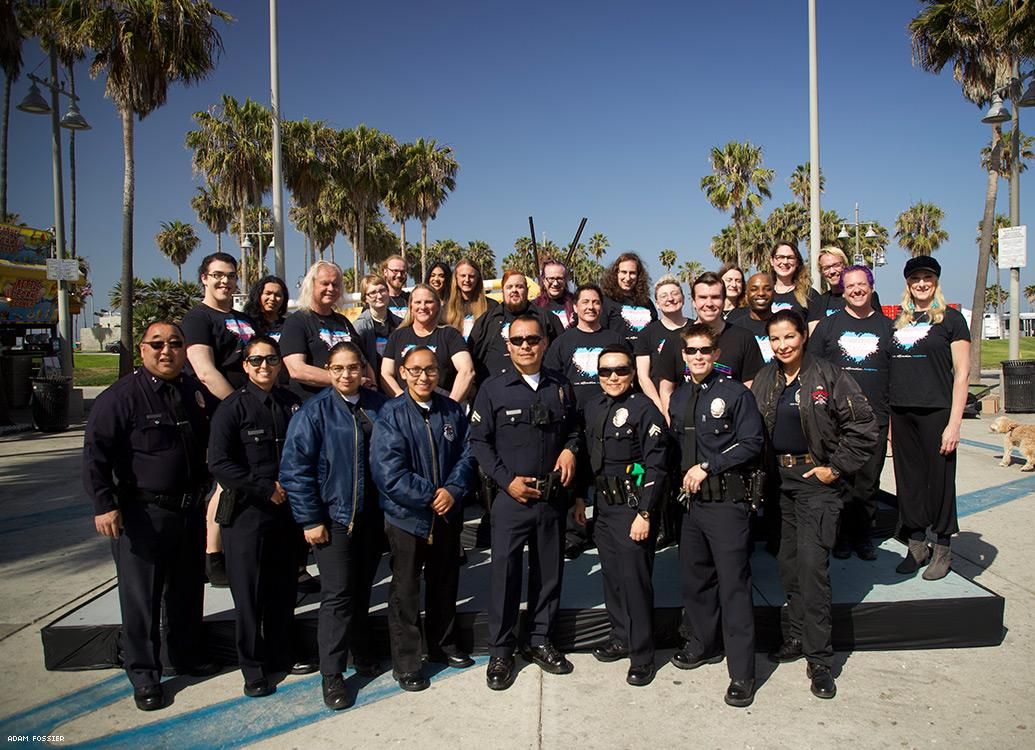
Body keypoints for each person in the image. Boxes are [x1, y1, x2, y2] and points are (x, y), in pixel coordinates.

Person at [82, 321, 218, 712]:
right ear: (142, 350)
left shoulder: (193, 391)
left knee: (187, 590)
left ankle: (185, 656)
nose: (166, 351)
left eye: (175, 343)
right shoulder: (121, 397)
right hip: (143, 512)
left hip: (188, 510)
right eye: (157, 344)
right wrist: (104, 504)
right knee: (141, 599)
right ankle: (144, 675)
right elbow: (96, 454)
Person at [752, 310, 877, 700]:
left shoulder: (829, 375)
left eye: (789, 337)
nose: (783, 345)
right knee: (788, 566)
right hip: (779, 484)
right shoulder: (766, 378)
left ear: (803, 336)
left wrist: (833, 468)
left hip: (815, 484)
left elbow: (864, 427)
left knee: (812, 568)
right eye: (775, 339)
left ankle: (820, 659)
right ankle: (795, 637)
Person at [470, 314, 581, 690]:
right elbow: (479, 441)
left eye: (532, 339)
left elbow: (576, 428)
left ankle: (539, 640)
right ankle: (501, 651)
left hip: (551, 499)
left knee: (549, 574)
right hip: (511, 499)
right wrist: (506, 481)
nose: (525, 346)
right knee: (505, 576)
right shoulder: (493, 389)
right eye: (517, 341)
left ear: (544, 342)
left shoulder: (561, 386)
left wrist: (569, 450)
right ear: (508, 346)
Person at [280, 342, 388, 710]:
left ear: (363, 370)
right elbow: (295, 470)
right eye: (338, 369)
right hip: (334, 520)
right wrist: (310, 518)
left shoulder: (378, 407)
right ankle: (332, 672)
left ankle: (362, 651)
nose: (346, 375)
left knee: (360, 591)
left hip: (372, 519)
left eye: (353, 368)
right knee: (338, 596)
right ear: (328, 370)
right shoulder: (314, 412)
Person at [207, 336, 315, 698]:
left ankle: (282, 655)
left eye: (271, 360)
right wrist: (262, 486)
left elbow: (309, 449)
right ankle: (252, 667)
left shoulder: (293, 403)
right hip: (248, 515)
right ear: (245, 366)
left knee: (284, 590)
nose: (264, 367)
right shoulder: (231, 409)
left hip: (287, 514)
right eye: (256, 361)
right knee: (250, 596)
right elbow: (219, 463)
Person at [668, 323, 765, 708]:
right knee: (697, 583)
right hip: (692, 507)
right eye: (691, 351)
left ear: (717, 353)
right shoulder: (678, 397)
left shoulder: (735, 394)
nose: (698, 357)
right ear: (683, 355)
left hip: (727, 505)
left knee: (734, 588)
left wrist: (709, 466)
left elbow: (752, 442)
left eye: (705, 350)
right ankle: (703, 644)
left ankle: (742, 673)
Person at [370, 346, 478, 691]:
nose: (423, 377)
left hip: (447, 515)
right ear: (402, 372)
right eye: (415, 370)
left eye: (430, 370)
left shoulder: (451, 410)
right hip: (408, 518)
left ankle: (443, 646)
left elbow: (468, 454)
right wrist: (431, 495)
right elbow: (388, 471)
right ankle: (406, 661)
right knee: (405, 591)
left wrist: (454, 490)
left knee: (445, 584)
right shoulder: (391, 415)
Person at [582, 346, 669, 687]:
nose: (613, 377)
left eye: (619, 370)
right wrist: (579, 500)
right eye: (605, 372)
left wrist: (645, 512)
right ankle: (621, 636)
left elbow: (656, 465)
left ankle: (643, 656)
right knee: (613, 580)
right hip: (603, 508)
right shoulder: (593, 407)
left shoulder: (644, 409)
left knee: (635, 583)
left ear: (632, 373)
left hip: (633, 509)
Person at [888, 256, 970, 581]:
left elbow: (962, 375)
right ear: (907, 283)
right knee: (909, 483)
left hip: (937, 413)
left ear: (935, 281)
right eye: (915, 278)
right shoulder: (900, 321)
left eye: (927, 278)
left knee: (940, 482)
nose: (921, 283)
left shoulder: (951, 320)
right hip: (901, 411)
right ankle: (916, 543)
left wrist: (954, 424)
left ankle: (943, 547)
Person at [182, 252, 257, 587]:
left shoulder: (244, 319)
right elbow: (204, 370)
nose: (225, 281)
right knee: (225, 481)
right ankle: (213, 555)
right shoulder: (198, 318)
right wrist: (237, 406)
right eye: (217, 275)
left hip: (249, 407)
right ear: (204, 278)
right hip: (220, 412)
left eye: (230, 275)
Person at [809, 266, 894, 561]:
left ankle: (863, 537)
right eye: (850, 286)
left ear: (871, 287)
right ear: (842, 290)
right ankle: (840, 537)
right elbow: (814, 370)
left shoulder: (888, 327)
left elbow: (895, 376)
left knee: (868, 482)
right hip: (836, 420)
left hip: (875, 418)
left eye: (862, 284)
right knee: (840, 481)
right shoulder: (828, 326)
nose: (856, 290)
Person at [280, 261, 372, 401]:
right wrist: (347, 379)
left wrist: (372, 385)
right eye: (325, 283)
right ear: (312, 285)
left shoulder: (343, 322)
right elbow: (297, 370)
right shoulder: (297, 322)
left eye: (335, 285)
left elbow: (363, 360)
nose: (331, 288)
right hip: (314, 405)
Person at [659, 272, 763, 390]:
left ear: (724, 301)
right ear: (693, 301)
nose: (709, 304)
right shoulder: (675, 339)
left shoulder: (744, 338)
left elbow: (750, 386)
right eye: (703, 297)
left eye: (715, 297)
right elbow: (666, 389)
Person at [380, 284, 475, 403]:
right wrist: (404, 402)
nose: (423, 307)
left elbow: (467, 370)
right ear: (410, 306)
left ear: (437, 305)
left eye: (428, 302)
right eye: (418, 302)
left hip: (442, 406)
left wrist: (451, 406)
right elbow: (386, 374)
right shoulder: (397, 336)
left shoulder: (450, 335)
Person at [469, 269, 561, 384]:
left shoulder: (546, 318)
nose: (514, 291)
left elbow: (561, 353)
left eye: (519, 286)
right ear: (503, 291)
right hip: (494, 390)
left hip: (538, 388)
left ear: (527, 290)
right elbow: (472, 356)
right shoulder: (487, 320)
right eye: (509, 287)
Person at [544, 283, 627, 408]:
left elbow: (627, 374)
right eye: (585, 302)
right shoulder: (562, 342)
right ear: (575, 307)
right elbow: (550, 378)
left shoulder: (615, 339)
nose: (591, 307)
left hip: (610, 411)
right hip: (573, 414)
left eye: (596, 302)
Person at [636, 275, 692, 417]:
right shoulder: (646, 334)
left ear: (683, 299)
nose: (670, 299)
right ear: (657, 303)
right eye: (664, 296)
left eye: (675, 294)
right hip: (660, 404)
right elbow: (643, 376)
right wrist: (660, 407)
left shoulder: (697, 328)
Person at [807, 247, 883, 333]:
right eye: (826, 268)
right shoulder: (820, 301)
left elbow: (880, 327)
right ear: (821, 272)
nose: (832, 271)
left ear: (845, 266)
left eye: (836, 265)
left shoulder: (865, 296)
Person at [352, 273, 402, 386]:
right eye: (373, 293)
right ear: (365, 299)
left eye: (382, 290)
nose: (379, 296)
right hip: (372, 386)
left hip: (397, 383)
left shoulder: (400, 324)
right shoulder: (359, 327)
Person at [600, 252, 657, 346]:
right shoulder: (605, 302)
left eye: (632, 273)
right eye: (623, 272)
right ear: (616, 274)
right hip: (617, 356)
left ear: (638, 276)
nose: (627, 278)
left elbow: (654, 331)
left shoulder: (646, 303)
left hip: (644, 357)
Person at [444, 258, 498, 340]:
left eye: (471, 276)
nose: (467, 280)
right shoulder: (446, 309)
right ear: (456, 278)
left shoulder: (492, 307)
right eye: (463, 276)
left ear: (478, 278)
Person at [731, 272, 776, 365]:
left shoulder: (785, 324)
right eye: (754, 289)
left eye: (767, 289)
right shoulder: (734, 329)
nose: (761, 293)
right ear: (746, 296)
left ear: (774, 293)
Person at [769, 241, 816, 319]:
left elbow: (815, 328)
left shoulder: (809, 295)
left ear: (797, 262)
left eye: (790, 257)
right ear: (772, 261)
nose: (785, 262)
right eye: (780, 257)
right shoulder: (764, 294)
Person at [243, 275, 290, 341]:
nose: (272, 298)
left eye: (277, 295)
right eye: (268, 293)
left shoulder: (289, 325)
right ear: (258, 295)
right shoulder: (247, 323)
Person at [535, 259, 576, 330]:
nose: (555, 283)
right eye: (551, 279)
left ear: (565, 280)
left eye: (559, 278)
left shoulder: (576, 303)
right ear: (544, 280)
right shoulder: (534, 306)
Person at [381, 255, 410, 319]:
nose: (399, 275)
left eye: (403, 272)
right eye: (395, 271)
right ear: (385, 272)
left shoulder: (412, 298)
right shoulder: (378, 300)